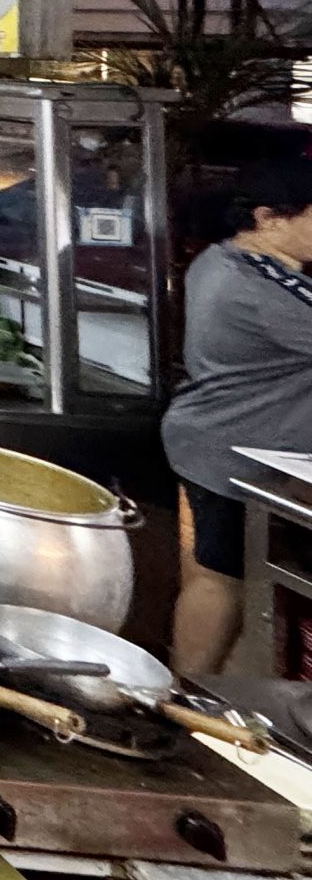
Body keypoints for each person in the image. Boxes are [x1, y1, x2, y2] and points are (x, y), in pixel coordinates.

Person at [163, 167, 312, 675]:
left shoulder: (220, 258)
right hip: (239, 452)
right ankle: (191, 692)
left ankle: (190, 688)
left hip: (213, 439)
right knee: (219, 580)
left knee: (213, 574)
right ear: (268, 219)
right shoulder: (262, 289)